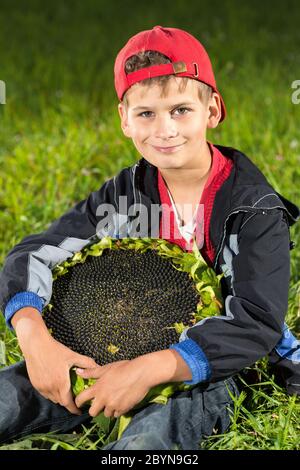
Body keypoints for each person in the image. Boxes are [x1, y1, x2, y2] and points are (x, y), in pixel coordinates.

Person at [0, 25, 299, 450]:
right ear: (124, 120)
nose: (165, 130)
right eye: (146, 114)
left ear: (212, 110)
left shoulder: (253, 209)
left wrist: (147, 370)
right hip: (105, 349)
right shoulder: (125, 193)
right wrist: (35, 340)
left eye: (180, 110)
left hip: (202, 370)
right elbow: (34, 252)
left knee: (143, 447)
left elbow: (257, 319)